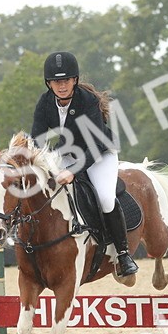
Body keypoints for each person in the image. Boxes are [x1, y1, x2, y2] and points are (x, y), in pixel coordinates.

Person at [31, 51, 137, 278]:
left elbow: (95, 144)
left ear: (75, 80)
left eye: (66, 80)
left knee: (105, 198)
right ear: (49, 83)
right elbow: (37, 141)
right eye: (56, 81)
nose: (61, 86)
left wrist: (73, 171)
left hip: (99, 153)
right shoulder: (45, 103)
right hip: (67, 152)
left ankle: (123, 254)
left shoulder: (88, 101)